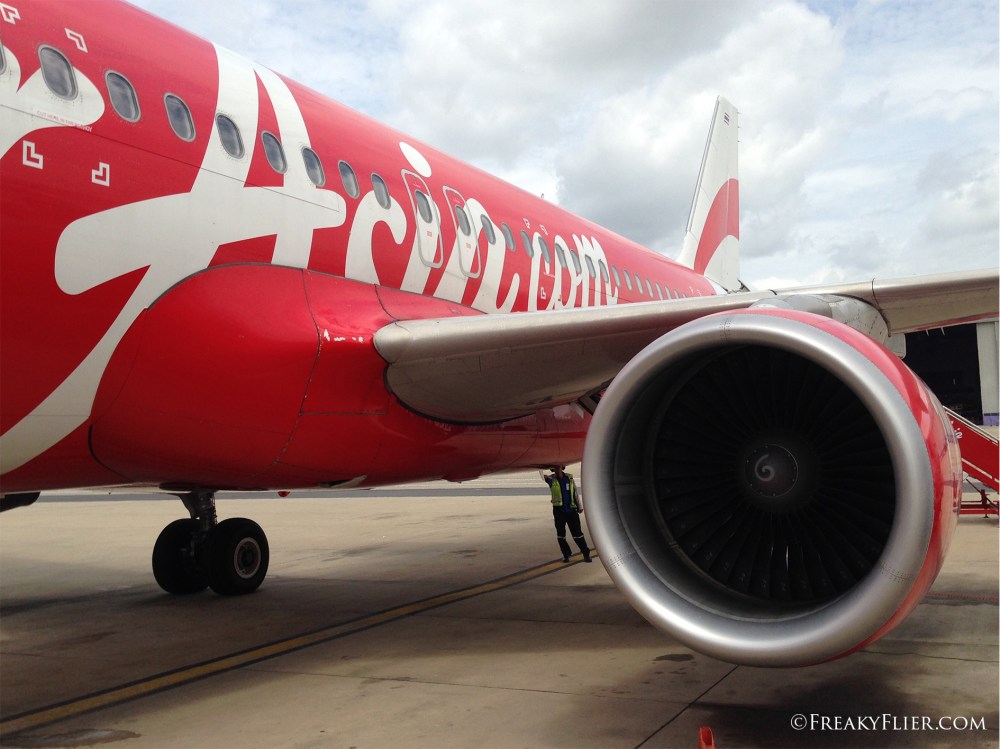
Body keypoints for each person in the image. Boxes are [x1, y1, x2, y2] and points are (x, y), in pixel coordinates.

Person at [543, 466, 591, 563]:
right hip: (559, 511)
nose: (557, 470)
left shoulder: (569, 479)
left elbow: (575, 493)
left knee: (578, 534)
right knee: (561, 535)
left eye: (559, 467)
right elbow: (543, 476)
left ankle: (586, 553)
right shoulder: (551, 480)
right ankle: (566, 554)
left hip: (571, 511)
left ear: (562, 468)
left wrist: (579, 505)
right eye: (555, 468)